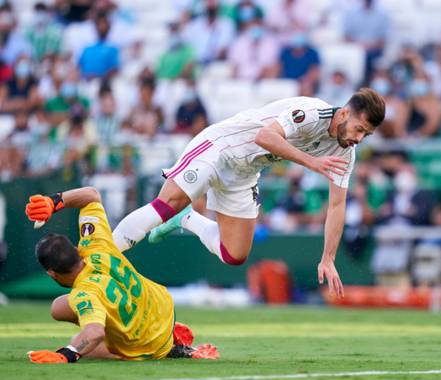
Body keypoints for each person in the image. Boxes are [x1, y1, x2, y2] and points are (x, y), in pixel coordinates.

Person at [112, 89, 386, 298]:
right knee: (167, 203)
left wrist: (328, 257)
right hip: (220, 146)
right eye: (359, 129)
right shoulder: (311, 112)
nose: (359, 139)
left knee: (234, 254)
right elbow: (264, 137)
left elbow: (337, 206)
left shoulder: (345, 153)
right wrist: (311, 161)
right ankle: (102, 254)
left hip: (245, 172)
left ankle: (186, 219)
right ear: (345, 114)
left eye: (367, 135)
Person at [23, 186, 219, 363]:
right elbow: (91, 195)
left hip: (149, 343)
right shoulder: (94, 244)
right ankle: (169, 333)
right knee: (58, 307)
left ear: (51, 273)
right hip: (162, 307)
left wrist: (68, 353)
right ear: (76, 249)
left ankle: (172, 349)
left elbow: (94, 333)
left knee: (90, 347)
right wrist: (53, 201)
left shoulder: (84, 294)